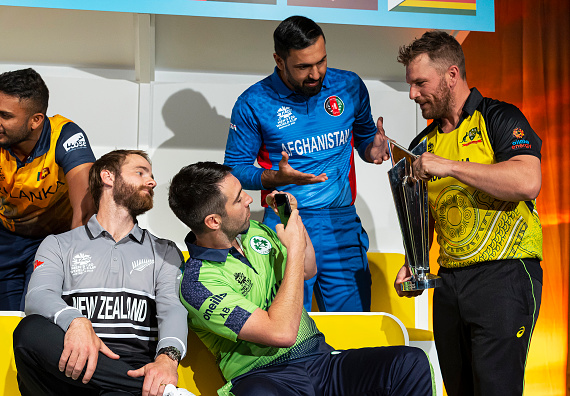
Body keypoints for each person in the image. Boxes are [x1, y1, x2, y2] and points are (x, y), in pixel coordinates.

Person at [168, 161, 433, 396]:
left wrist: (292, 217)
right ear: (213, 221)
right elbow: (281, 333)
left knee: (409, 362)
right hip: (263, 378)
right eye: (238, 199)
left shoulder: (253, 232)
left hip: (320, 361)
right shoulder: (197, 284)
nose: (249, 199)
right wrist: (294, 249)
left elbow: (308, 269)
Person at [393, 31, 543, 396]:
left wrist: (452, 167)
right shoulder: (421, 145)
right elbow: (424, 215)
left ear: (452, 75)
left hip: (506, 273)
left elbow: (527, 181)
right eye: (410, 84)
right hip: (448, 283)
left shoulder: (500, 117)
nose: (413, 94)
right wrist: (414, 262)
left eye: (420, 83)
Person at [223, 15, 390, 312]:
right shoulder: (253, 102)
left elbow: (364, 138)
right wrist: (275, 177)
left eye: (321, 61)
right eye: (303, 67)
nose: (316, 74)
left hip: (341, 220)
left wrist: (372, 149)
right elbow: (234, 169)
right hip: (286, 218)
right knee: (291, 332)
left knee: (352, 328)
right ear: (279, 60)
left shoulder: (349, 85)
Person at [13, 150, 188, 396]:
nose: (152, 182)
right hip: (70, 366)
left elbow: (173, 309)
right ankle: (164, 393)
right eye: (140, 172)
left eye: (151, 175)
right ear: (108, 176)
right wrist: (76, 321)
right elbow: (39, 296)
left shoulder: (164, 250)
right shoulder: (58, 244)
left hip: (131, 365)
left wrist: (168, 359)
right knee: (28, 332)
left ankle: (135, 386)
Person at [0, 68, 96, 318]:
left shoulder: (66, 136)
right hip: (4, 238)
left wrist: (74, 274)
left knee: (36, 323)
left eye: (5, 115)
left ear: (36, 120)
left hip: (55, 240)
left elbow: (85, 213)